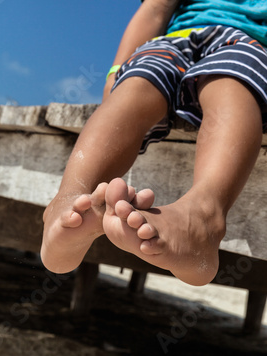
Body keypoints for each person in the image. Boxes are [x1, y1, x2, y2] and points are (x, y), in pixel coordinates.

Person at [41, 0, 267, 286]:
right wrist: (115, 74)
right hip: (175, 40)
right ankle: (70, 198)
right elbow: (155, 9)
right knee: (136, 85)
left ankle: (203, 219)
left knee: (232, 80)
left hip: (250, 43)